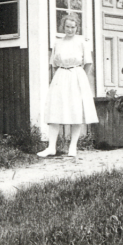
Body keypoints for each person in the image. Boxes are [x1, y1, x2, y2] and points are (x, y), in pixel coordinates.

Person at [37, 14, 98, 158]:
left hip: (77, 76)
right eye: (67, 27)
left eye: (73, 27)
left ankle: (72, 147)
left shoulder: (82, 42)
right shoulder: (57, 43)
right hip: (60, 76)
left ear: (77, 27)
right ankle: (51, 147)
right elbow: (53, 64)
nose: (70, 30)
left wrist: (81, 78)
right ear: (63, 27)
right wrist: (55, 79)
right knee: (55, 110)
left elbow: (88, 63)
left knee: (75, 110)